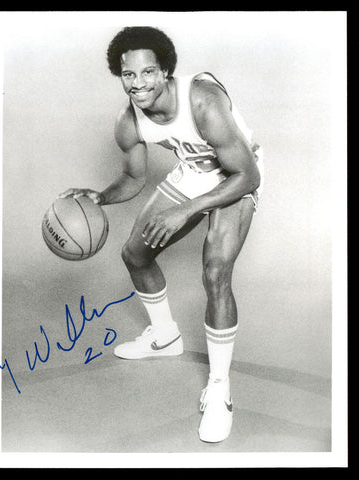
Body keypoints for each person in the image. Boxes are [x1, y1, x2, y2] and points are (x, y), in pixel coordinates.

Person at [60, 26, 263, 443]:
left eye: (148, 72)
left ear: (166, 71)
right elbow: (134, 177)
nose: (138, 83)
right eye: (128, 74)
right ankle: (165, 335)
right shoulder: (128, 121)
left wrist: (186, 210)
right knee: (135, 254)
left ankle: (219, 389)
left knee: (215, 271)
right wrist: (100, 197)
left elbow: (247, 175)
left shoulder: (202, 100)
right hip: (195, 172)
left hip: (236, 176)